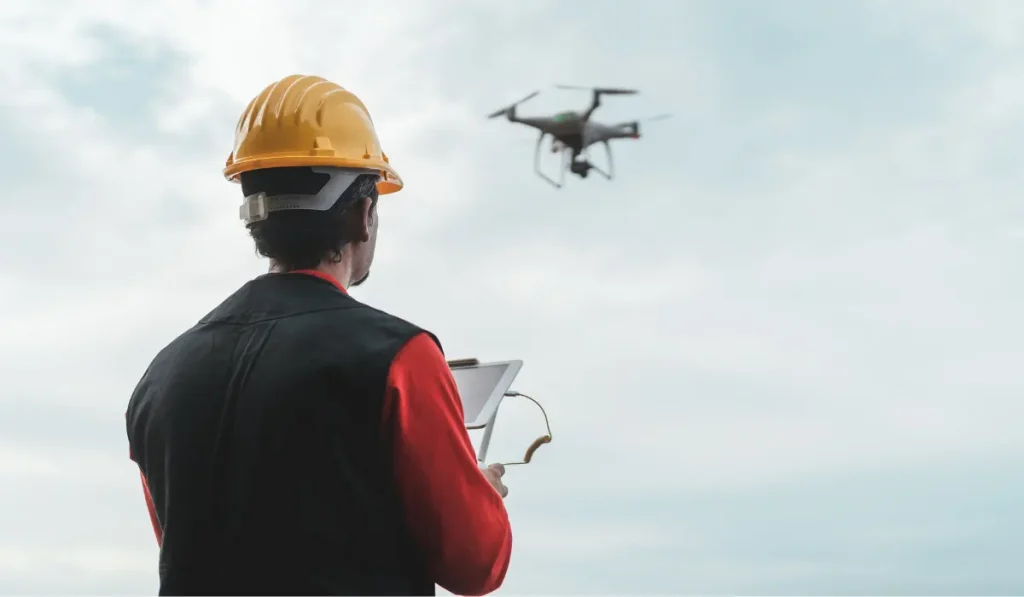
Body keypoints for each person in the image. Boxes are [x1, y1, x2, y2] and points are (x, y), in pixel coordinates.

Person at [125, 74, 513, 596]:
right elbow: (476, 564)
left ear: (255, 216)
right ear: (363, 214)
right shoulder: (401, 357)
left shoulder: (160, 376)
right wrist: (482, 495)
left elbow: (186, 545)